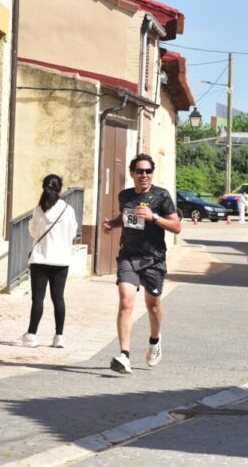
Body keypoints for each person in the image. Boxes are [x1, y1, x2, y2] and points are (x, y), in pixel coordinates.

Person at [101, 153, 181, 374]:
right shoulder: (125, 196)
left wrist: (153, 217)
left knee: (153, 306)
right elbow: (126, 218)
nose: (144, 175)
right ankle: (124, 355)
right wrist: (111, 224)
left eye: (148, 171)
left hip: (153, 259)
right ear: (132, 173)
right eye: (139, 171)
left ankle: (155, 341)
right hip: (128, 255)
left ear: (152, 174)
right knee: (126, 301)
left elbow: (176, 227)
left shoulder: (161, 196)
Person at [13, 174, 78, 349]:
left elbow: (33, 231)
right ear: (60, 188)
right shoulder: (68, 210)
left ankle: (32, 335)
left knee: (38, 299)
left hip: (40, 259)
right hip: (61, 261)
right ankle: (59, 337)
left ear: (44, 187)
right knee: (58, 298)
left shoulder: (39, 209)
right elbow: (73, 233)